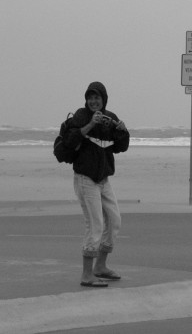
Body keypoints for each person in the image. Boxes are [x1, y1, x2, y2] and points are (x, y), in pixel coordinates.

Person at [64, 81, 130, 287]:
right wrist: (91, 123)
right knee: (95, 225)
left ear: (104, 99)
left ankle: (100, 267)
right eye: (90, 97)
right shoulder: (81, 116)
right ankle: (86, 274)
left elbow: (121, 147)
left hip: (103, 179)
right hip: (85, 178)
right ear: (86, 99)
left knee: (114, 220)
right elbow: (70, 141)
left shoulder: (111, 118)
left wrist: (123, 131)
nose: (93, 101)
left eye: (97, 98)